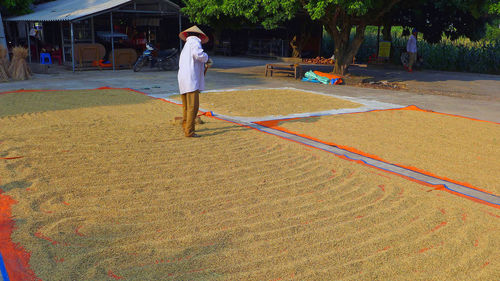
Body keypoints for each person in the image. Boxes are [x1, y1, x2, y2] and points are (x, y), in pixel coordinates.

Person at [177, 26, 209, 138]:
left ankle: (186, 126)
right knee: (193, 106)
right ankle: (189, 131)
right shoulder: (195, 42)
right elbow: (199, 55)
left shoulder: (187, 45)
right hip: (191, 79)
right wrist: (207, 58)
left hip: (183, 78)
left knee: (186, 106)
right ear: (199, 35)